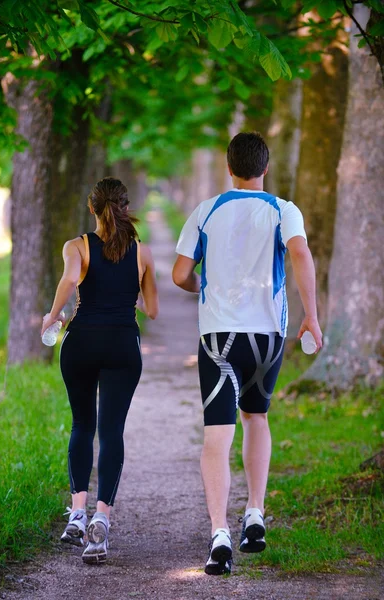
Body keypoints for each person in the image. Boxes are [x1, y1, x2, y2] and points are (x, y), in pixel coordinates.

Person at [172, 132, 322, 576]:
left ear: (228, 166)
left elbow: (181, 273)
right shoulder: (283, 210)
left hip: (220, 337)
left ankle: (220, 534)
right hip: (268, 337)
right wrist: (311, 315)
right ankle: (254, 513)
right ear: (266, 167)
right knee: (257, 417)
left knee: (217, 434)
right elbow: (300, 253)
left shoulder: (207, 210)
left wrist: (204, 286)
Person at [41, 177, 158, 564]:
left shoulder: (76, 246)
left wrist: (53, 315)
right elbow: (153, 310)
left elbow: (70, 279)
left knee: (82, 426)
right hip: (123, 345)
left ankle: (76, 512)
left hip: (81, 344)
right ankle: (101, 522)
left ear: (92, 208)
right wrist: (131, 299)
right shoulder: (142, 252)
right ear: (124, 207)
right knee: (111, 432)